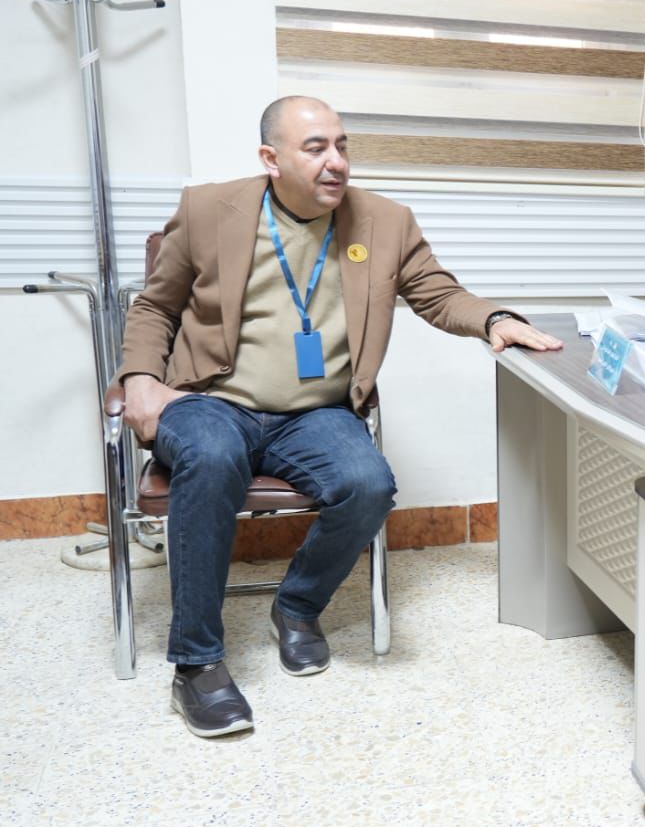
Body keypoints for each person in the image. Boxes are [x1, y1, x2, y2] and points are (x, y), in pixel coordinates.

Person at [117, 95, 564, 738]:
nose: (337, 161)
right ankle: (197, 663)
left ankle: (297, 607)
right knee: (212, 458)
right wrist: (139, 379)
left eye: (342, 145)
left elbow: (438, 293)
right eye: (316, 147)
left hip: (315, 412)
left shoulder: (384, 222)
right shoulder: (210, 209)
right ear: (271, 158)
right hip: (213, 400)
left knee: (368, 485)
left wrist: (494, 318)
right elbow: (156, 307)